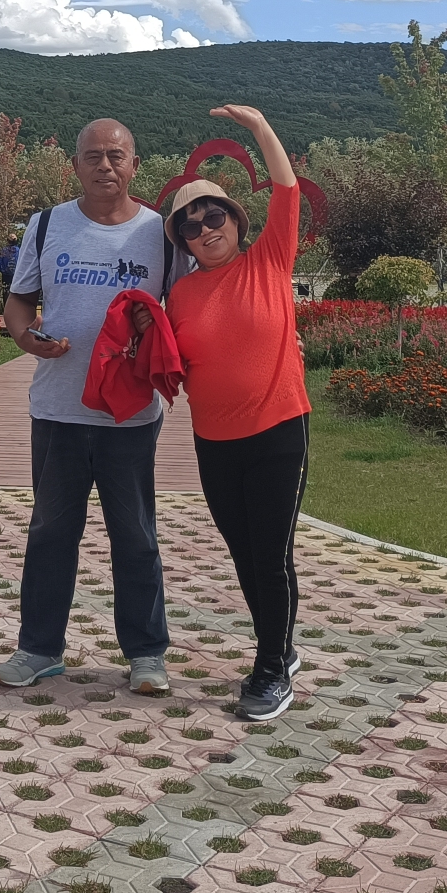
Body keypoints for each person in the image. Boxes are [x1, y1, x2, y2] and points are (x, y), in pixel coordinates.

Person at [0, 118, 175, 695]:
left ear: (134, 164)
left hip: (129, 416)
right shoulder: (47, 226)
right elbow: (19, 301)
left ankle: (146, 654)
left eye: (116, 155)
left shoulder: (163, 235)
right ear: (75, 165)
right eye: (93, 156)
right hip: (57, 410)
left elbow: (191, 310)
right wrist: (27, 338)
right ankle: (39, 649)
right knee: (51, 533)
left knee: (136, 535)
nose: (105, 165)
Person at [161, 104, 311, 721]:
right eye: (191, 227)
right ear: (182, 241)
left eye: (214, 216)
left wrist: (258, 128)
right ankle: (281, 644)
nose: (204, 230)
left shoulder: (270, 258)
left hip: (278, 429)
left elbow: (287, 188)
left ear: (235, 220)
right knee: (246, 553)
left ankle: (271, 667)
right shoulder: (182, 292)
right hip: (214, 441)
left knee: (270, 552)